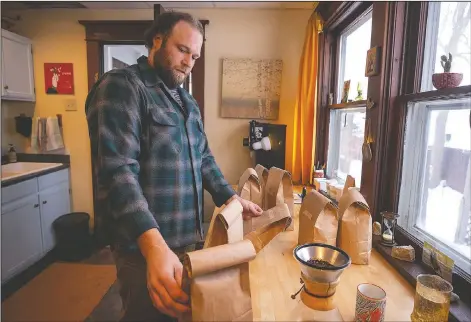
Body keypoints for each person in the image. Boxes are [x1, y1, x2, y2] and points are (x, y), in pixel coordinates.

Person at [85, 11, 263, 322]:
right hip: (145, 249)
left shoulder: (187, 103)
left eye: (194, 56)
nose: (189, 62)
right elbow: (118, 172)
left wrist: (231, 199)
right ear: (157, 40)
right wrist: (153, 246)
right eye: (183, 50)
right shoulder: (123, 87)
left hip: (188, 243)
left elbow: (204, 158)